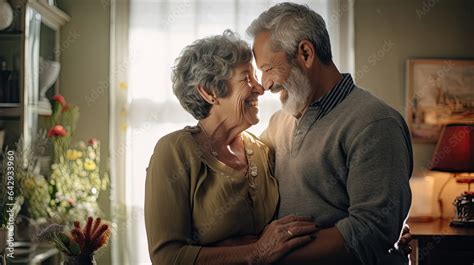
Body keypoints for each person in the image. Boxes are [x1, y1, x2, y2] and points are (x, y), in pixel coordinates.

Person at [247, 2, 413, 265]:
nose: (265, 85)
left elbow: (370, 232)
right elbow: (243, 170)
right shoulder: (279, 122)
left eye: (267, 69)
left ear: (305, 53)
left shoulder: (376, 122)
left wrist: (267, 256)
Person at [144, 30, 319, 265]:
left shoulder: (261, 149)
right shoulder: (174, 151)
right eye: (247, 78)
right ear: (209, 92)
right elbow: (167, 257)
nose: (260, 87)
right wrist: (256, 250)